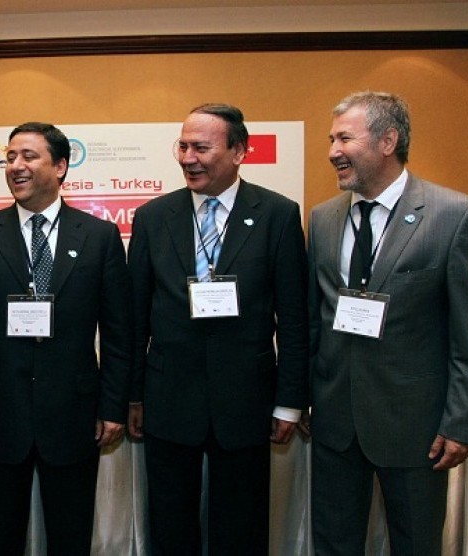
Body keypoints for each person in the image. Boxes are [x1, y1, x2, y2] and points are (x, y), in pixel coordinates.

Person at [307, 91, 468, 554]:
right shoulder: (323, 218)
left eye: (345, 138)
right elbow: (314, 319)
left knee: (415, 544)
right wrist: (308, 394)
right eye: (331, 138)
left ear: (388, 140)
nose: (332, 150)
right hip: (335, 421)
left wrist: (462, 422)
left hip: (416, 426)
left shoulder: (455, 216)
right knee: (334, 543)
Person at [127, 103, 309, 555]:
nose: (189, 157)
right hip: (168, 400)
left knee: (241, 530)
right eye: (183, 146)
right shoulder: (153, 217)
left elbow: (294, 317)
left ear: (239, 152)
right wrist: (132, 395)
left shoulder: (277, 215)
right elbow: (133, 318)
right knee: (170, 528)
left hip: (246, 401)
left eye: (202, 148)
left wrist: (289, 402)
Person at [0, 122, 132, 556]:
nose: (15, 166)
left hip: (75, 415)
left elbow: (119, 334)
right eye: (10, 157)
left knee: (70, 538)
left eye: (28, 156)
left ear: (61, 166)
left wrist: (112, 406)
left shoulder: (99, 237)